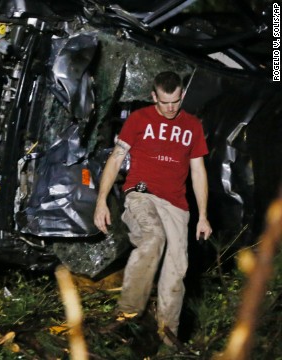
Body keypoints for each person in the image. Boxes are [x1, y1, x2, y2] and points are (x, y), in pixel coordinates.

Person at [93, 71, 212, 345]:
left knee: (176, 270)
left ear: (182, 95)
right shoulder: (139, 119)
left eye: (175, 102)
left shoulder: (193, 126)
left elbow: (198, 171)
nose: (170, 109)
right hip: (142, 193)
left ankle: (168, 339)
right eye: (164, 102)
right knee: (152, 238)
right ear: (153, 96)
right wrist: (101, 201)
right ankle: (126, 315)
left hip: (177, 205)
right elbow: (116, 158)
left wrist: (203, 216)